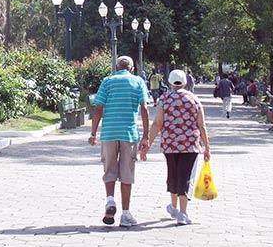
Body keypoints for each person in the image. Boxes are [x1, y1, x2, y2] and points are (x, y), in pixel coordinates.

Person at [142, 69, 210, 226]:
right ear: (185, 82)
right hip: (190, 144)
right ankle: (183, 213)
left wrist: (147, 144)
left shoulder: (164, 99)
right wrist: (207, 146)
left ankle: (173, 206)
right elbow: (202, 125)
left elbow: (158, 123)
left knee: (172, 173)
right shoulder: (194, 99)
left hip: (170, 143)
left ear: (170, 83)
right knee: (185, 176)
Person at [89, 56, 150, 227]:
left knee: (109, 169)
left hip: (109, 133)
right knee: (126, 173)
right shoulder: (138, 82)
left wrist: (93, 133)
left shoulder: (107, 81)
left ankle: (110, 201)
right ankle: (125, 214)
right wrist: (145, 135)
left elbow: (98, 108)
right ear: (131, 68)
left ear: (116, 67)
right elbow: (144, 108)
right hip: (128, 134)